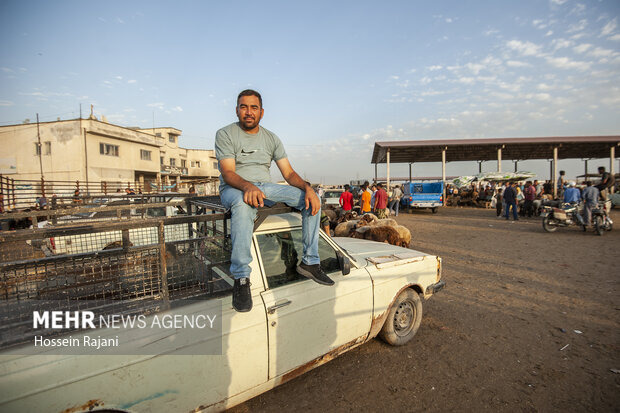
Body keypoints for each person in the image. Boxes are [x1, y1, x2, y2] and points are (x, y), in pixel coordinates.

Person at [215, 89, 333, 312]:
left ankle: (310, 261)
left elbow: (288, 174)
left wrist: (308, 188)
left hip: (265, 187)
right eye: (243, 107)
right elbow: (228, 172)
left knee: (313, 200)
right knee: (242, 204)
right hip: (234, 187)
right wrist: (247, 186)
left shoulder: (271, 138)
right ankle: (241, 278)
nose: (248, 112)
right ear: (237, 110)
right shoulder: (225, 134)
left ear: (261, 112)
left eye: (253, 107)